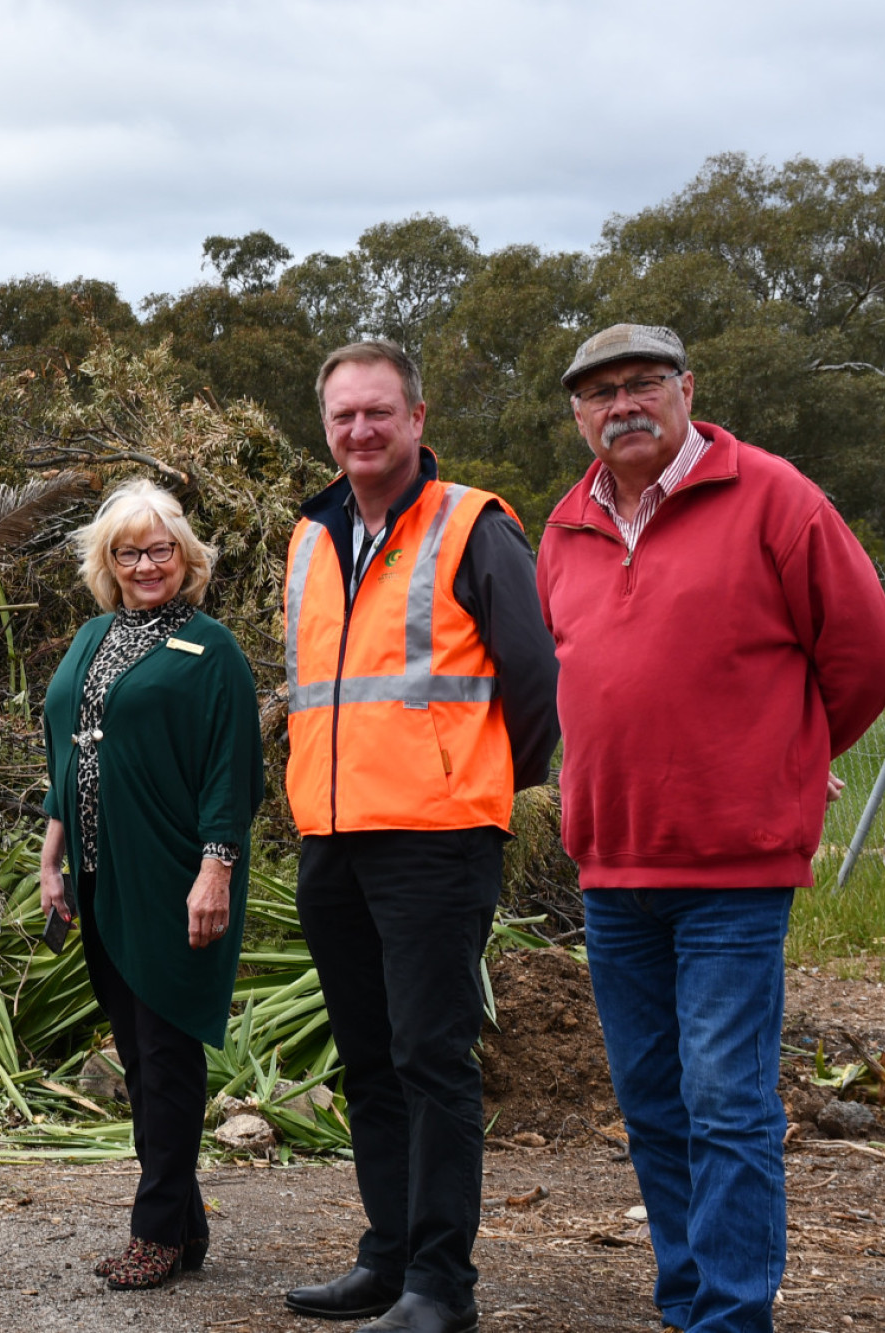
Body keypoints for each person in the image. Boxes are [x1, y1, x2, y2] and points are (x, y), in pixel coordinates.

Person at [536, 324, 885, 1333]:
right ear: (577, 415)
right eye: (597, 392)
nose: (622, 404)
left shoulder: (772, 498)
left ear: (683, 388)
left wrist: (793, 755)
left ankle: (730, 1315)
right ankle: (687, 1291)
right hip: (611, 868)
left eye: (641, 383)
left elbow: (868, 654)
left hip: (732, 868)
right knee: (652, 1101)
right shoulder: (563, 530)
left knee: (725, 1101)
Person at [282, 341, 560, 1333]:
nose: (359, 431)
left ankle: (440, 1286)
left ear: (415, 418)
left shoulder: (471, 525)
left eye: (377, 413)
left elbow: (533, 683)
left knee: (428, 1057)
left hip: (437, 839)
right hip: (331, 837)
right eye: (342, 417)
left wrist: (479, 780)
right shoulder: (308, 538)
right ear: (326, 427)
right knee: (367, 1059)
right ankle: (387, 1257)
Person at [38, 479, 266, 1292]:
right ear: (107, 562)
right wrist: (52, 853)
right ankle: (185, 1224)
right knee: (140, 1055)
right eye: (129, 551)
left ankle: (153, 1233)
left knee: (167, 1056)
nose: (146, 564)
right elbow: (65, 748)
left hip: (176, 878)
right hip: (101, 879)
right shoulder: (92, 637)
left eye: (161, 548)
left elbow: (230, 773)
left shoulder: (213, 650)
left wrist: (216, 869)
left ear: (187, 557)